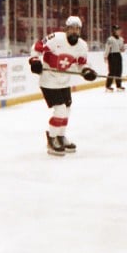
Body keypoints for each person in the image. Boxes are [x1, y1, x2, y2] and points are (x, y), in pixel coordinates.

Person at [28, 15, 97, 157]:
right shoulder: (55, 38)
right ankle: (52, 139)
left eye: (77, 29)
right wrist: (35, 60)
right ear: (66, 29)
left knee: (67, 110)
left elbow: (81, 64)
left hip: (64, 81)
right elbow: (36, 47)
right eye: (71, 28)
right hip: (48, 80)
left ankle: (60, 136)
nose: (74, 31)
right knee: (60, 111)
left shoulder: (82, 46)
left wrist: (87, 71)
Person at [104, 24, 125, 92]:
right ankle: (108, 86)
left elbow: (122, 48)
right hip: (112, 55)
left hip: (118, 55)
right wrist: (105, 56)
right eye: (117, 30)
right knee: (112, 71)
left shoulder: (121, 39)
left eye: (119, 30)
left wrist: (122, 48)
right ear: (114, 31)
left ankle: (119, 86)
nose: (119, 31)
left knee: (119, 71)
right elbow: (107, 48)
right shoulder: (110, 39)